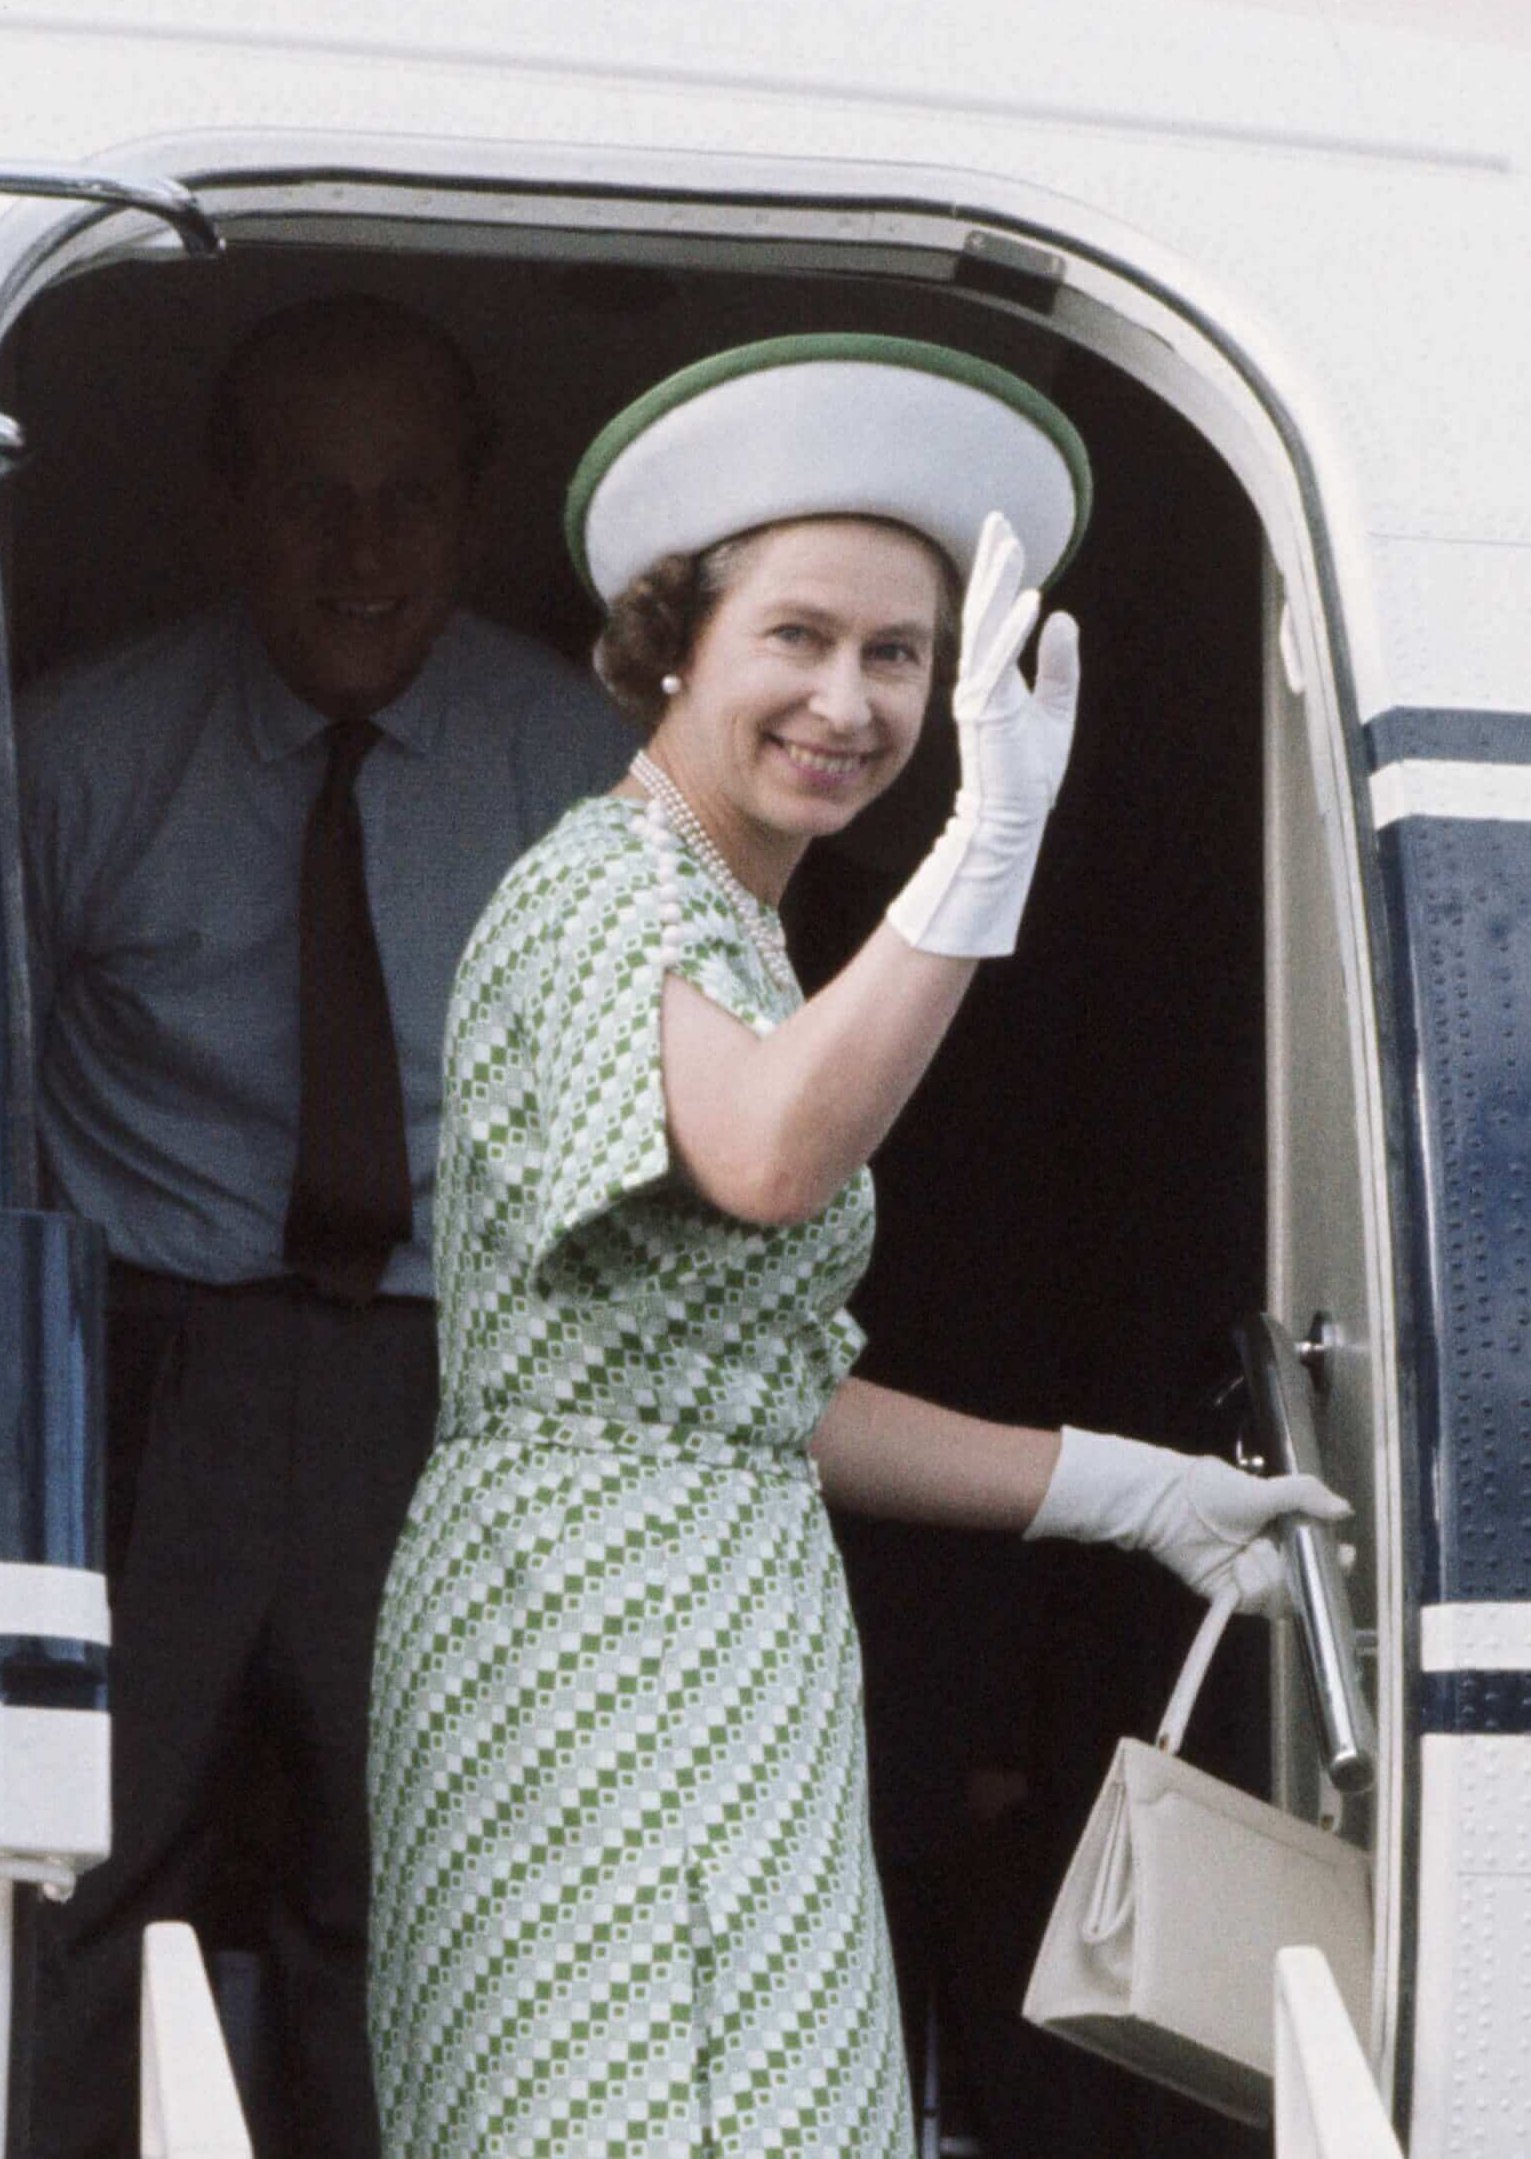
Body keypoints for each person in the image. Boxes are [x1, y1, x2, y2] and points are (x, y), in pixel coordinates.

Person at [365, 335, 1346, 2155]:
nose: (851, 700)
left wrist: (1128, 1492)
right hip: (608, 1661)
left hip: (697, 1633)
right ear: (675, 642)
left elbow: (757, 1396)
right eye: (796, 638)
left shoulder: (732, 924)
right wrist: (980, 853)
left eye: (898, 655)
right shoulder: (613, 887)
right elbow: (762, 1154)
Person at [17, 294, 633, 2159]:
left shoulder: (587, 771)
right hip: (152, 1372)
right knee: (88, 1884)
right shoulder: (79, 756)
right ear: (227, 505)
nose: (363, 551)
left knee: (424, 1912)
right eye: (312, 497)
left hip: (458, 1388)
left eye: (409, 497)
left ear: (472, 511)